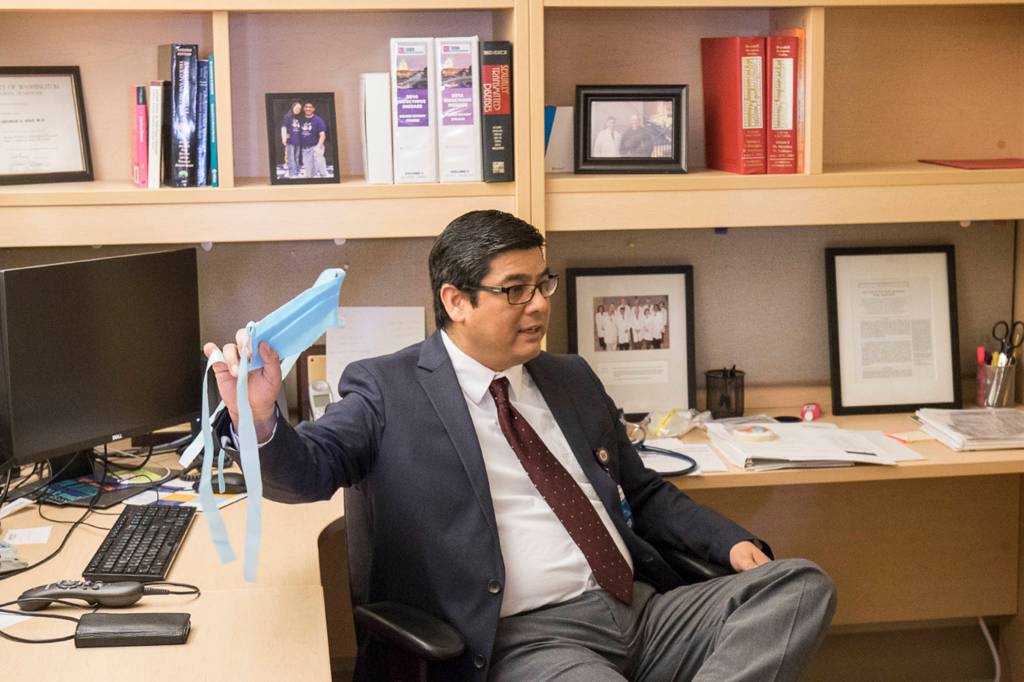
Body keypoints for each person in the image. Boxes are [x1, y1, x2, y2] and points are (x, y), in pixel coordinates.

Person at [204, 210, 835, 681]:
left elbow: (642, 492)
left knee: (800, 584)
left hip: (637, 608)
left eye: (543, 284)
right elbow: (307, 470)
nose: (538, 305)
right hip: (527, 641)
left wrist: (728, 542)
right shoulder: (387, 388)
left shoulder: (570, 377)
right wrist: (259, 421)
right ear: (455, 301)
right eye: (515, 290)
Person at [298, 101, 329, 178]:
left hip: (316, 146)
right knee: (309, 175)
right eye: (306, 107)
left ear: (313, 109)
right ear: (304, 108)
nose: (308, 108)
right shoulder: (300, 120)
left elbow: (322, 135)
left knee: (321, 168)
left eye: (310, 107)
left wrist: (318, 147)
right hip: (305, 149)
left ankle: (325, 178)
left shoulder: (318, 120)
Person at [280, 100, 303, 178]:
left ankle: (296, 171)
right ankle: (292, 173)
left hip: (298, 140)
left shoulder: (298, 117)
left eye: (300, 109)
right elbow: (283, 127)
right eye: (297, 108)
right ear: (293, 107)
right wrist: (284, 138)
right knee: (291, 158)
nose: (298, 110)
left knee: (297, 157)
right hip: (290, 141)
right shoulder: (287, 116)